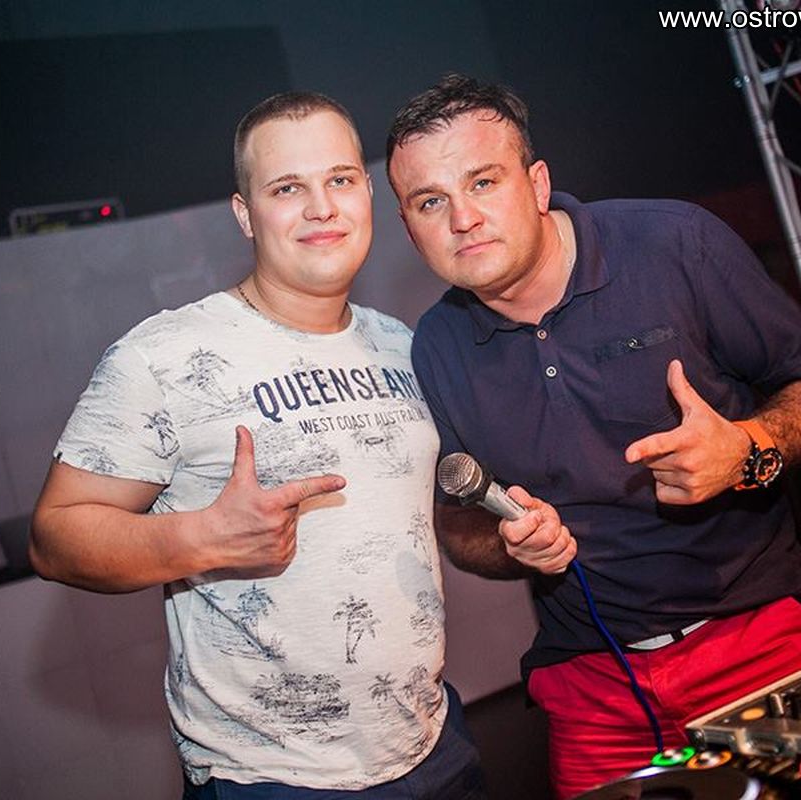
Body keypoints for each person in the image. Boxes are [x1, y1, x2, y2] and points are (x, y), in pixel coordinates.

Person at [385, 74, 801, 799]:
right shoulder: (437, 346)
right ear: (408, 226)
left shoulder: (674, 243)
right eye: (430, 201)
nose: (463, 218)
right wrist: (512, 542)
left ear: (537, 184)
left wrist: (747, 448)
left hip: (759, 639)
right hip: (591, 683)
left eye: (483, 181)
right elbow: (458, 526)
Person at [30, 92, 486, 799]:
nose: (322, 208)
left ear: (367, 193)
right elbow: (54, 538)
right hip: (270, 778)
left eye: (339, 180)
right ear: (245, 214)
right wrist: (201, 539)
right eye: (287, 188)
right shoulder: (162, 357)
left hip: (431, 744)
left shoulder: (403, 347)